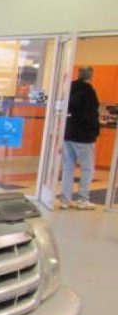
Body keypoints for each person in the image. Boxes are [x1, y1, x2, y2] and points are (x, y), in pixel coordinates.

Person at [61, 66, 100, 210]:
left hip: (68, 133)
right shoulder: (88, 91)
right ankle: (83, 199)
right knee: (87, 169)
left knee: (68, 168)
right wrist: (95, 131)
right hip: (83, 136)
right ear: (91, 76)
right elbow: (90, 115)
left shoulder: (69, 88)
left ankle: (65, 200)